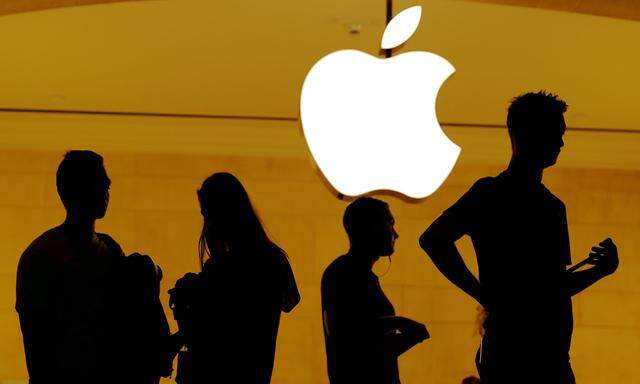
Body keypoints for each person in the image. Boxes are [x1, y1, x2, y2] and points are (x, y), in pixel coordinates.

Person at [420, 91, 619, 383]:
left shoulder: (539, 203)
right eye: (555, 133)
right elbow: (551, 288)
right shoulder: (510, 198)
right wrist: (483, 294)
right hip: (527, 355)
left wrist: (600, 271)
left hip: (538, 355)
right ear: (530, 134)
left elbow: (552, 286)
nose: (561, 143)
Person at [15, 150, 173, 384]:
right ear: (76, 191)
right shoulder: (42, 256)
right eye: (100, 184)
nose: (106, 191)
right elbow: (37, 344)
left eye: (106, 185)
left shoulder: (109, 248)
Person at [169, 172, 300, 383]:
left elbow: (217, 331)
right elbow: (290, 300)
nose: (207, 224)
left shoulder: (224, 267)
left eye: (208, 214)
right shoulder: (272, 259)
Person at [321, 197, 429, 384]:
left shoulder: (352, 274)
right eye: (390, 224)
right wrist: (400, 323)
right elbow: (352, 343)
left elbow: (373, 351)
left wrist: (409, 337)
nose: (396, 234)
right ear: (372, 228)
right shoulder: (342, 274)